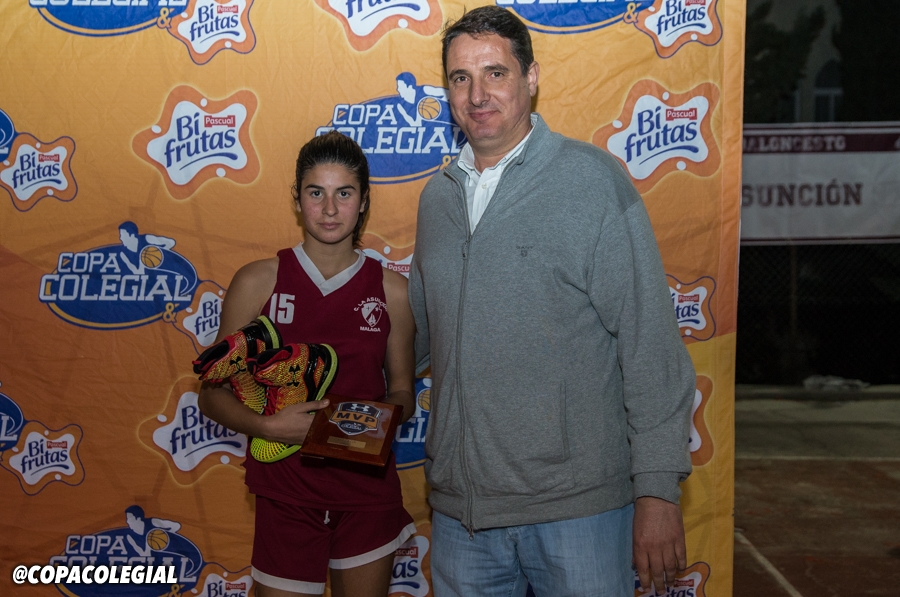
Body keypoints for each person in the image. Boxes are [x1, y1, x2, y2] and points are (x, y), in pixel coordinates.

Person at [407, 6, 696, 596]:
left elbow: (649, 345)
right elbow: (416, 338)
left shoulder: (591, 182)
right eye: (461, 78)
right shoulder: (437, 198)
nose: (478, 94)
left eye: (495, 73)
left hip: (579, 514)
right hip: (464, 519)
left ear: (531, 78)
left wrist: (657, 492)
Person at [198, 131, 417, 597]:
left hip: (366, 492)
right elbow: (212, 393)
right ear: (297, 199)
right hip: (286, 492)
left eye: (344, 193)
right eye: (316, 193)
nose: (330, 209)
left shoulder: (393, 291)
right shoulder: (258, 281)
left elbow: (402, 392)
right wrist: (269, 427)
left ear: (364, 202)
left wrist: (356, 424)